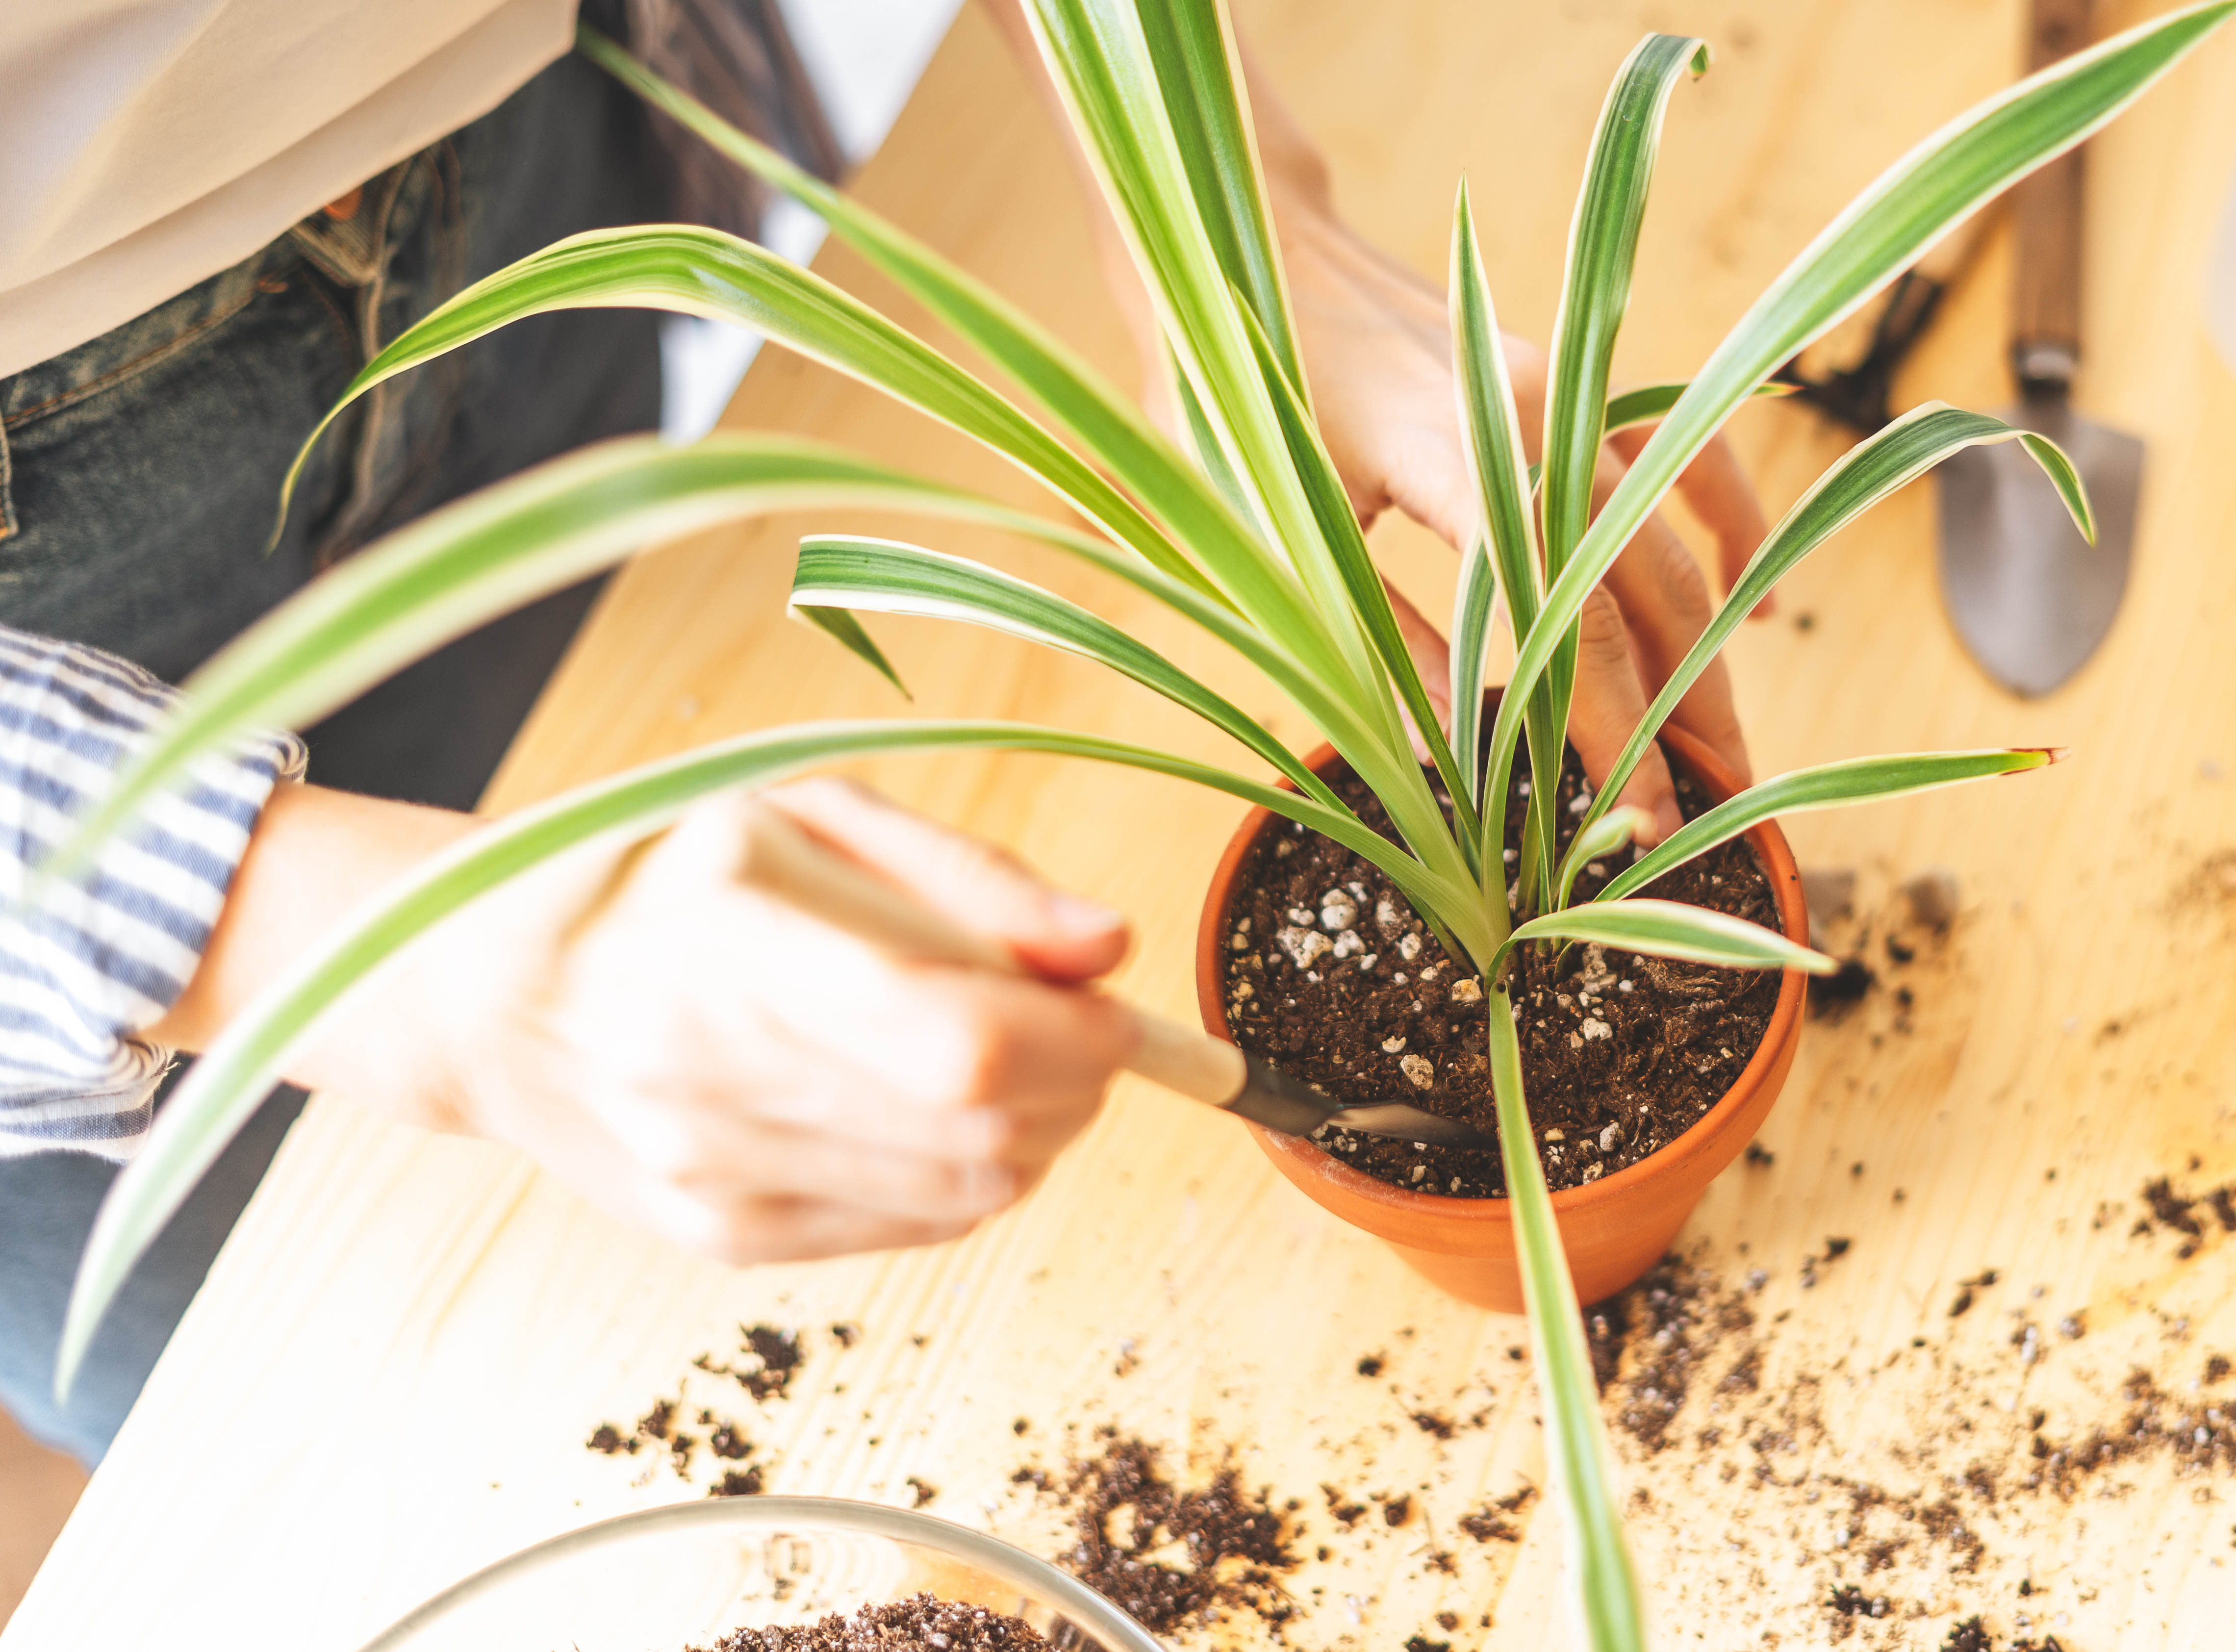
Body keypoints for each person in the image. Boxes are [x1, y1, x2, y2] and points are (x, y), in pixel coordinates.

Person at [0, 0, 1773, 1465]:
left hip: (527, 153)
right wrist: (390, 965)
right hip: (52, 680)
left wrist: (1215, 205)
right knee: (325, 1416)